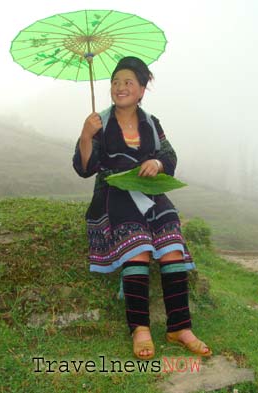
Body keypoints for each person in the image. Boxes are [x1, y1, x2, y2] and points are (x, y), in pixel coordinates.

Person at [72, 56, 211, 360]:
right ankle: (140, 329)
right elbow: (85, 168)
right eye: (115, 82)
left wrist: (157, 162)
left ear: (141, 90)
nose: (120, 87)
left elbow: (170, 157)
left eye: (128, 83)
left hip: (150, 195)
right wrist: (86, 134)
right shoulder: (100, 122)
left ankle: (180, 327)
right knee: (139, 248)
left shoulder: (151, 122)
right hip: (114, 195)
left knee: (172, 245)